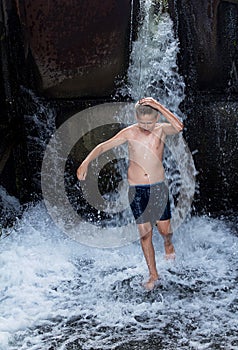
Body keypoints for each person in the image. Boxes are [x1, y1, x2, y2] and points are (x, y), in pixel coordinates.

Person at [77, 97, 184, 290]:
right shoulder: (129, 133)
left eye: (149, 122)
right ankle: (153, 274)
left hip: (158, 188)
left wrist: (159, 105)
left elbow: (178, 126)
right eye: (142, 122)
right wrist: (85, 162)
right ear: (136, 117)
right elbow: (103, 146)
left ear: (156, 117)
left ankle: (168, 244)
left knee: (164, 230)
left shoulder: (161, 130)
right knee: (145, 234)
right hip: (137, 190)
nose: (146, 126)